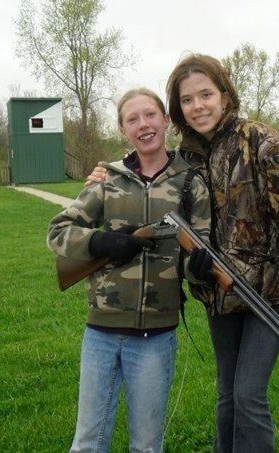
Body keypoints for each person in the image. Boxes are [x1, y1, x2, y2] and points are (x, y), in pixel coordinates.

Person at [87, 55, 279, 453]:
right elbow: (150, 185)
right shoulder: (188, 157)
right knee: (226, 393)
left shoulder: (262, 142)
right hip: (220, 293)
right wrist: (106, 175)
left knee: (248, 394)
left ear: (224, 95)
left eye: (206, 94)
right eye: (187, 99)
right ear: (177, 109)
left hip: (269, 294)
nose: (198, 106)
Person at [48, 87, 211, 453]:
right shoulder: (108, 179)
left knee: (147, 446)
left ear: (166, 120)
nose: (144, 125)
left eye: (150, 115)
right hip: (101, 331)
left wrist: (200, 269)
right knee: (88, 442)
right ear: (124, 130)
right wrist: (100, 243)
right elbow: (58, 232)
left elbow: (197, 258)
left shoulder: (191, 182)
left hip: (156, 338)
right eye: (133, 119)